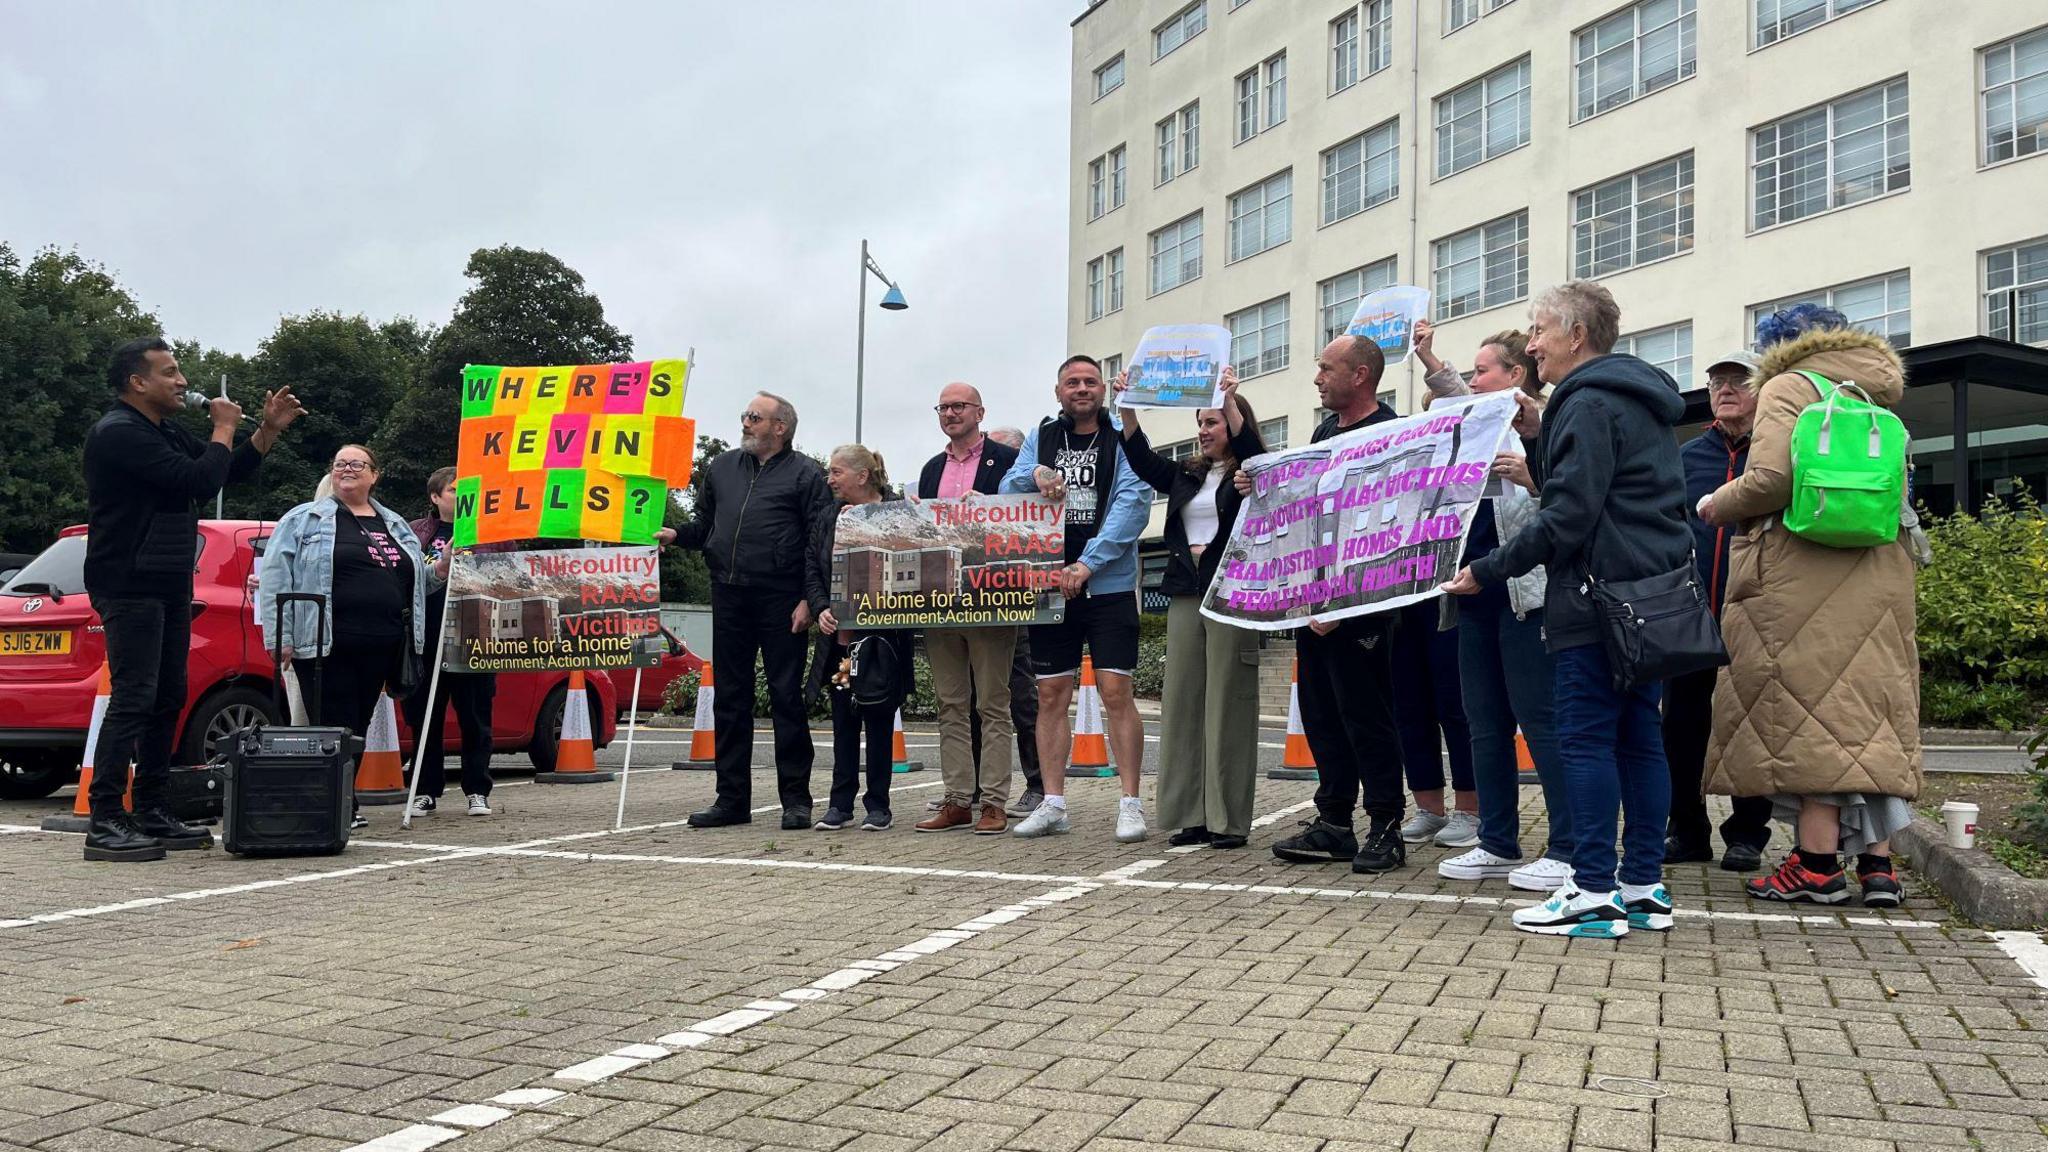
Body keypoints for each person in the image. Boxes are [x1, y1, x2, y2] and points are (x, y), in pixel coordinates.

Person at [1443, 280, 1690, 939]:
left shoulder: (1585, 403)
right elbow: (1604, 494)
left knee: (1583, 738)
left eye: (1540, 330)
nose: (1531, 344)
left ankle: (1589, 890)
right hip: (1651, 599)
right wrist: (1542, 431)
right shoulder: (1636, 400)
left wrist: (1488, 569)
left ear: (1576, 335)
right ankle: (1642, 887)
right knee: (1640, 741)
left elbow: (1568, 516)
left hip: (1594, 600)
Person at [1699, 306, 1919, 909]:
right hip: (1879, 566)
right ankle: (1880, 869)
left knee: (1811, 714)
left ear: (1780, 348)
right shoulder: (1873, 393)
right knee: (1869, 715)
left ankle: (1816, 865)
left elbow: (1770, 479)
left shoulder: (1789, 387)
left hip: (1804, 564)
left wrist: (1719, 502)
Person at [80, 337, 303, 862]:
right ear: (138, 382)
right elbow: (197, 481)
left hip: (167, 577)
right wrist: (223, 426)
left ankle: (154, 808)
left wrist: (265, 430)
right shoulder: (118, 433)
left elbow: (228, 470)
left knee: (167, 697)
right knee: (134, 697)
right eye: (170, 372)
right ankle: (106, 817)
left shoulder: (161, 430)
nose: (183, 382)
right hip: (129, 579)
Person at [1412, 320, 1573, 893]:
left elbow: (1569, 507)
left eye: (1484, 371)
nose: (1473, 381)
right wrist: (1431, 360)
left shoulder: (1547, 429)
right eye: (1472, 373)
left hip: (1523, 597)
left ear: (1516, 377)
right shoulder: (1475, 429)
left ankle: (1568, 848)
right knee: (1484, 725)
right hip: (1469, 600)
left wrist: (1532, 478)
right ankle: (1498, 842)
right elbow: (1456, 398)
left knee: (1542, 722)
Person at [1263, 336, 1410, 875]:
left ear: (1361, 375)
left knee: (1365, 716)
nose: (1317, 377)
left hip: (1363, 604)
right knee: (1322, 715)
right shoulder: (1324, 433)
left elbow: (1393, 522)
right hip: (1314, 598)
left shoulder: (1391, 432)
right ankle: (1334, 823)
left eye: (1327, 367)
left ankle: (1386, 827)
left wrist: (1347, 604)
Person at [1000, 355, 1153, 841]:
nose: (1081, 389)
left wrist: (1087, 564)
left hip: (1105, 585)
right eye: (1072, 382)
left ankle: (1130, 803)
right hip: (1048, 584)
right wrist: (1037, 476)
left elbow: (1133, 504)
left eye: (1090, 381)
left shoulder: (1121, 437)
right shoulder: (1041, 434)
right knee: (1049, 695)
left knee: (1115, 693)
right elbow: (1008, 487)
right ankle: (1053, 802)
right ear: (1058, 390)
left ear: (1103, 389)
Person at [1113, 366, 1265, 849]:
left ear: (1233, 425)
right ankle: (1190, 815)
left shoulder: (1253, 471)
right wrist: (1128, 407)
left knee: (1228, 702)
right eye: (1200, 423)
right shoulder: (1185, 474)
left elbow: (1255, 451)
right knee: (1183, 703)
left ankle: (1228, 819)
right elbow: (1140, 459)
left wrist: (1231, 399)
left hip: (1232, 592)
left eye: (1212, 422)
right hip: (1185, 593)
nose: (1203, 430)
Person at [669, 392, 834, 831]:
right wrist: (675, 535)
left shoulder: (806, 475)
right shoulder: (721, 468)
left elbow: (819, 541)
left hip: (782, 598)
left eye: (754, 417)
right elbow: (705, 526)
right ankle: (731, 800)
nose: (745, 422)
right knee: (731, 698)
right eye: (745, 415)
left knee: (785, 698)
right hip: (728, 592)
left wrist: (807, 597)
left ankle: (796, 801)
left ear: (779, 427)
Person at [260, 445, 432, 830]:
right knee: (331, 724)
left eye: (357, 463)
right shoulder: (303, 520)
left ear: (375, 474)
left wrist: (445, 564)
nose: (346, 469)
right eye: (339, 463)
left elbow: (417, 578)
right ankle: (330, 806)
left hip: (382, 645)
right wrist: (279, 635)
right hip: (324, 643)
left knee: (356, 726)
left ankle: (341, 801)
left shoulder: (395, 524)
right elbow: (275, 578)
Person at [1665, 350, 1774, 872]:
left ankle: (1748, 834)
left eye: (1738, 381)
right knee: (1681, 729)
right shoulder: (1688, 457)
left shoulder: (1776, 452)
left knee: (1750, 728)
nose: (1725, 389)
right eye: (1716, 383)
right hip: (1691, 620)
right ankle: (1686, 831)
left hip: (1755, 620)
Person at [914, 384, 1022, 835]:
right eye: (944, 406)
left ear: (980, 411)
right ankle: (957, 799)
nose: (951, 413)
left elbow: (1028, 519)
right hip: (941, 599)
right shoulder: (930, 468)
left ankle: (993, 803)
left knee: (994, 706)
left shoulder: (1009, 460)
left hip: (991, 596)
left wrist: (995, 507)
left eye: (959, 406)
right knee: (950, 704)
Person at [810, 447, 915, 832]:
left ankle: (878, 805)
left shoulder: (899, 512)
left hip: (881, 646)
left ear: (862, 476)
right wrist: (820, 605)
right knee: (842, 724)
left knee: (880, 722)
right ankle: (840, 805)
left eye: (836, 472)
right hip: (841, 644)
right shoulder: (827, 517)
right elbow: (812, 565)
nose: (830, 479)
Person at [404, 466, 499, 818]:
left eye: (467, 491)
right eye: (454, 490)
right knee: (424, 719)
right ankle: (425, 789)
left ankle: (477, 789)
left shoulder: (490, 533)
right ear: (435, 497)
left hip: (474, 639)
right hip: (426, 640)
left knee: (475, 717)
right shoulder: (415, 532)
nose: (462, 497)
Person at [983, 425, 1044, 815]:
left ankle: (1038, 783)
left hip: (1019, 602)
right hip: (978, 602)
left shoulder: (1031, 495)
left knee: (1023, 698)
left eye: (1009, 454)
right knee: (976, 698)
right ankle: (974, 789)